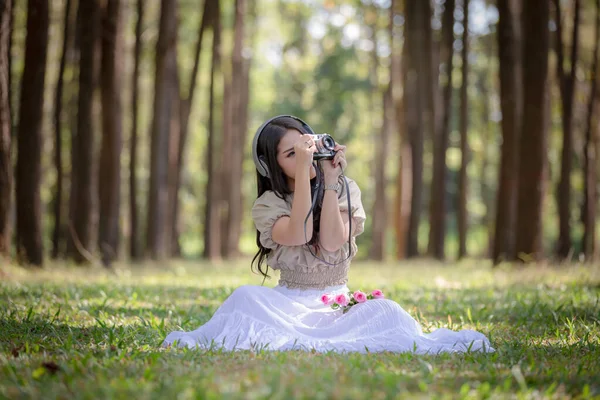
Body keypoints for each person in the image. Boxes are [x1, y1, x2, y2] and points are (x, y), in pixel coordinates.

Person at [162, 115, 494, 354]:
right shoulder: (268, 204)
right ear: (271, 166)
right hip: (286, 304)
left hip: (336, 303)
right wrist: (307, 180)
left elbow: (333, 243)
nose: (304, 157)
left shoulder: (346, 189)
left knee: (387, 310)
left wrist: (331, 182)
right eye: (292, 154)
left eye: (305, 148)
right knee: (245, 297)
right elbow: (299, 232)